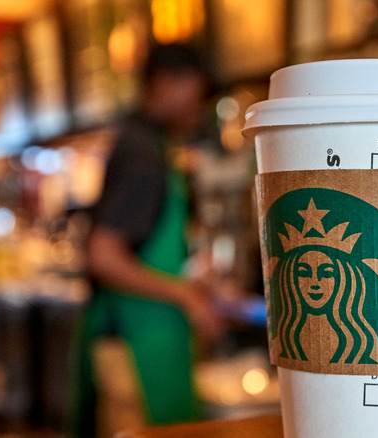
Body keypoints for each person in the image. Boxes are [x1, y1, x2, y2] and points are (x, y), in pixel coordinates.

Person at [69, 43, 226, 438]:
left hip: (146, 339)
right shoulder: (141, 153)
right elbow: (103, 255)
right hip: (134, 349)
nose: (199, 105)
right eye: (197, 90)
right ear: (165, 82)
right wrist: (185, 295)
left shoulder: (147, 145)